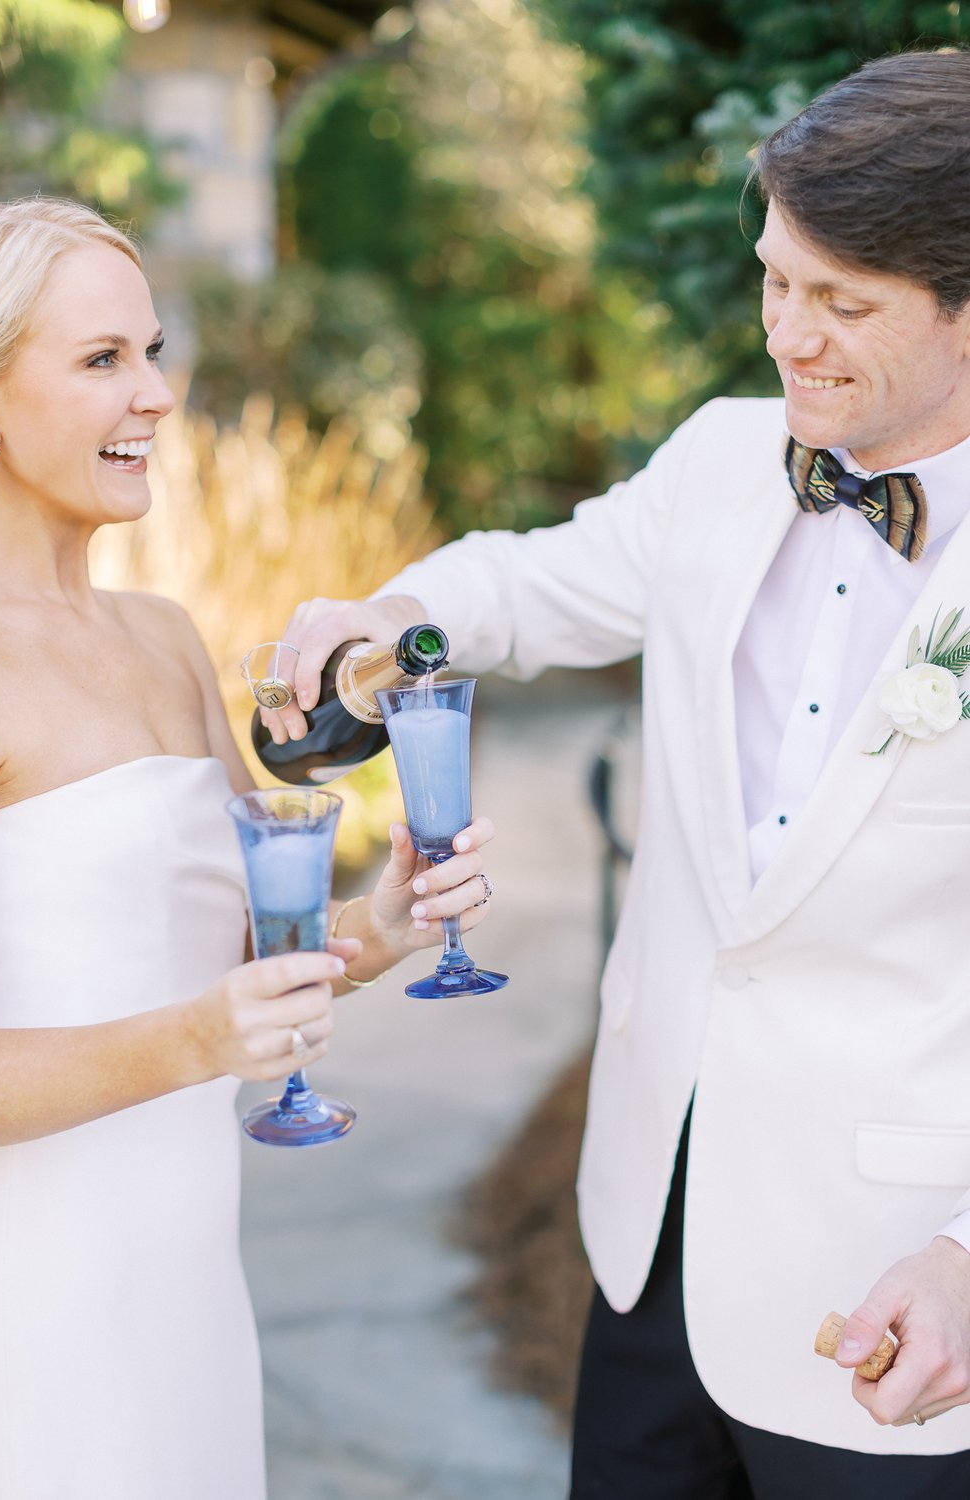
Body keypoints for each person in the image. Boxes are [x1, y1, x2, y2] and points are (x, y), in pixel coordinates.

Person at [263, 47, 970, 1500]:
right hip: (648, 1241)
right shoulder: (721, 460)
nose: (789, 336)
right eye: (775, 280)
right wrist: (392, 622)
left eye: (844, 305)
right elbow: (534, 588)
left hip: (902, 1297)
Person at [0, 196, 494, 1500]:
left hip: (186, 1287)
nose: (155, 393)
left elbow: (240, 959)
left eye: (152, 350)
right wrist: (202, 1041)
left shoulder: (162, 637)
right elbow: (202, 1022)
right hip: (24, 1309)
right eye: (101, 361)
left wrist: (385, 921)